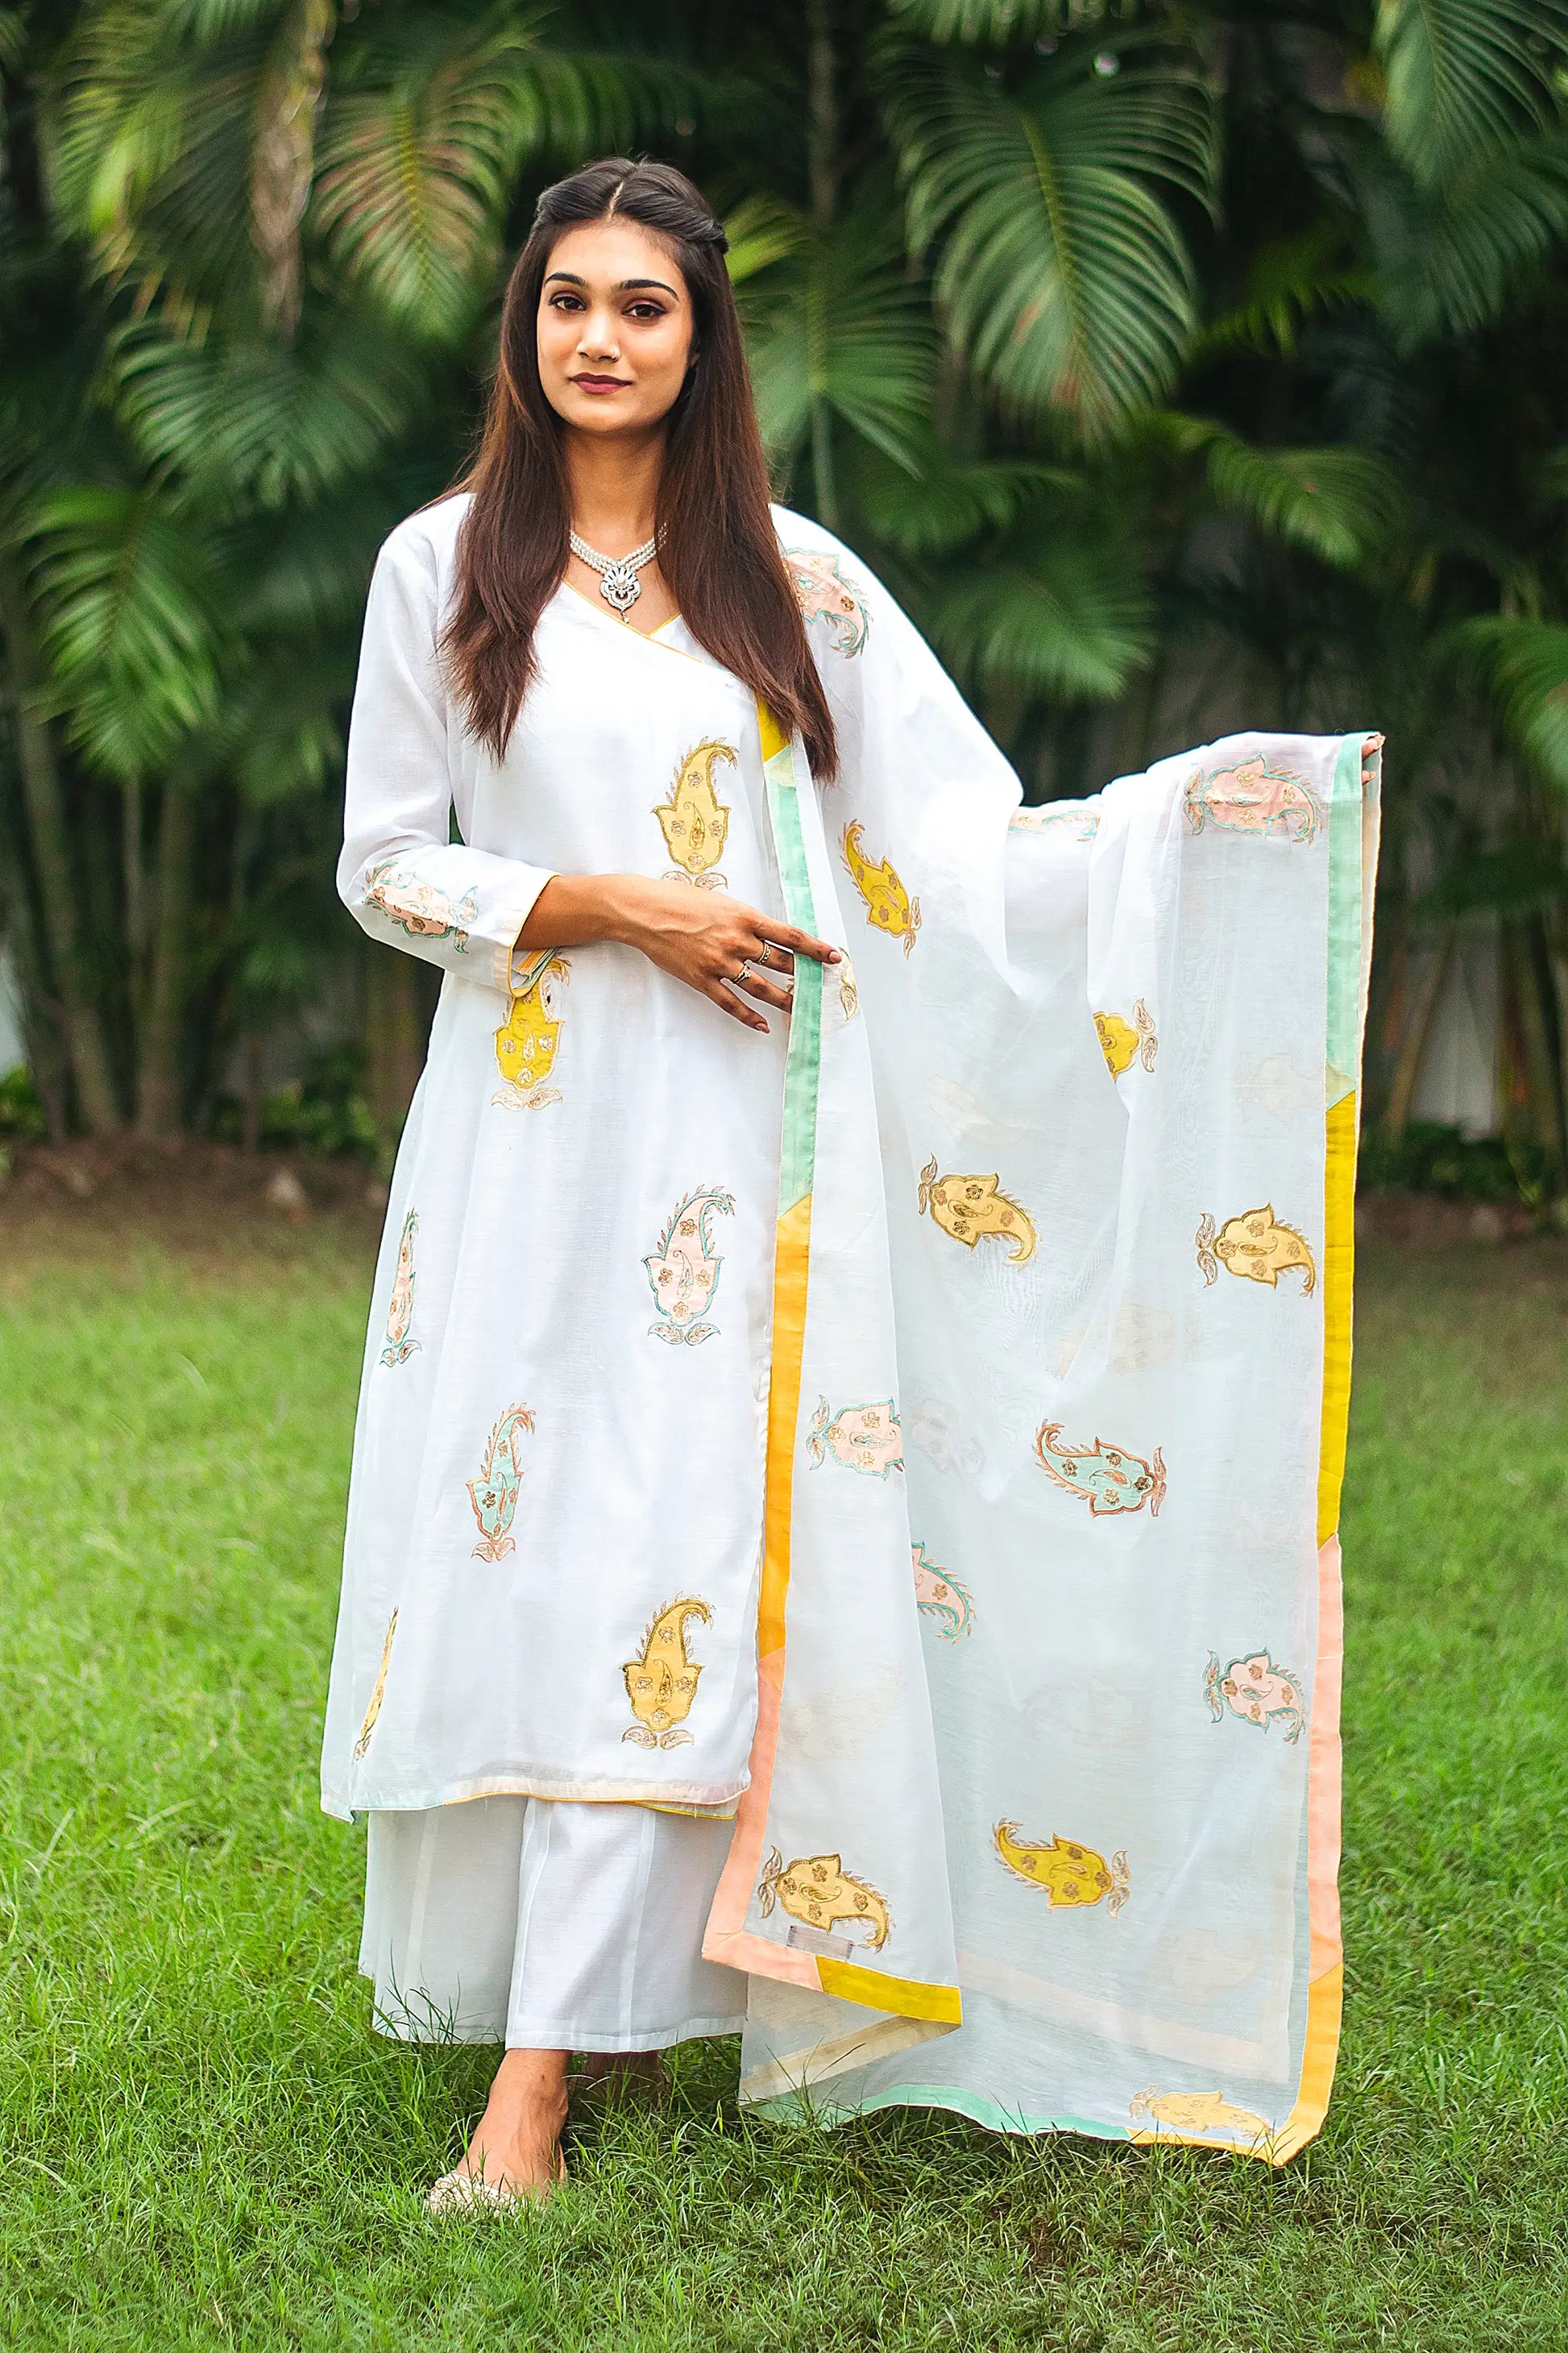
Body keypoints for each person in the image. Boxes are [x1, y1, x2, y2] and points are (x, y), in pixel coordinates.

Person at [322, 158, 1379, 2206]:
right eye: (565, 302)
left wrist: (1206, 828)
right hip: (533, 1149)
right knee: (555, 1561)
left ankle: (542, 2082)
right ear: (522, 331)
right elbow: (383, 862)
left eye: (643, 304)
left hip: (755, 1162)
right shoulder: (440, 564)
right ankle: (572, 2023)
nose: (599, 338)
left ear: (702, 339)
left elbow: (964, 846)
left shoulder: (797, 584)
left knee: (678, 1550)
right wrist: (610, 902)